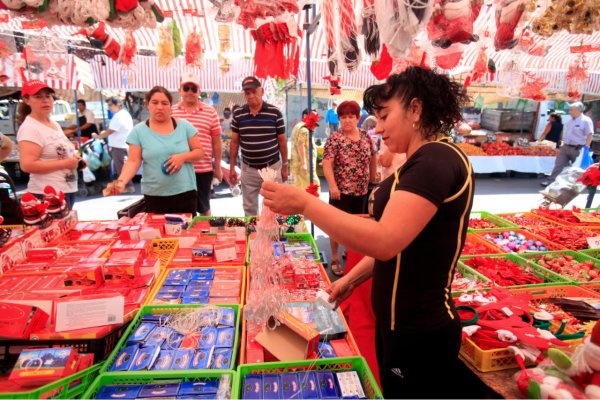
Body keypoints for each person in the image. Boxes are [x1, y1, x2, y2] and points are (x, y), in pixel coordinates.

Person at [261, 67, 473, 399]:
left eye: (385, 116)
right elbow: (398, 241)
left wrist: (305, 204)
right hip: (397, 323)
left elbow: (385, 241)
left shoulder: (435, 161)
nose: (379, 127)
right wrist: (351, 278)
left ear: (415, 109)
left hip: (419, 330)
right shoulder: (420, 161)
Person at [106, 86, 204, 214]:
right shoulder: (138, 131)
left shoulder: (184, 127)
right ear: (147, 105)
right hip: (154, 195)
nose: (159, 107)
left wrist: (182, 157)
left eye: (164, 103)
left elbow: (199, 152)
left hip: (184, 192)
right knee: (156, 233)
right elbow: (133, 161)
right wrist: (121, 182)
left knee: (186, 232)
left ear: (170, 106)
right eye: (155, 102)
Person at [322, 100, 377, 276]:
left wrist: (372, 180)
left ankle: (350, 252)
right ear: (339, 119)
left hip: (361, 190)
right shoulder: (335, 138)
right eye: (343, 117)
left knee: (357, 224)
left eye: (351, 116)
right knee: (336, 226)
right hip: (340, 191)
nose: (347, 120)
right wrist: (332, 186)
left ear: (358, 118)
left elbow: (373, 156)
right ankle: (335, 258)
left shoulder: (365, 136)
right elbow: (326, 163)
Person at [17, 80, 81, 209]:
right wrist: (65, 163)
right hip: (46, 196)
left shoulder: (54, 124)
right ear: (26, 100)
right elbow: (27, 165)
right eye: (38, 97)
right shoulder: (30, 128)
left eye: (48, 96)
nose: (45, 100)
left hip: (65, 191)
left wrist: (75, 159)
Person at [229, 76, 287, 216]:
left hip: (272, 167)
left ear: (261, 91)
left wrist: (285, 165)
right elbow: (234, 142)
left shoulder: (275, 113)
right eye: (247, 93)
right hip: (249, 169)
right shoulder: (238, 114)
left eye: (254, 91)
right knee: (249, 209)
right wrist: (231, 167)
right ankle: (253, 236)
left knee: (276, 207)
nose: (251, 96)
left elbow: (282, 141)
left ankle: (275, 237)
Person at [171, 72, 223, 216]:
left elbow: (216, 143)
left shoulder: (210, 112)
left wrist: (217, 167)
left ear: (199, 92)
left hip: (203, 170)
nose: (190, 92)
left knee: (204, 207)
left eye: (194, 89)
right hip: (178, 168)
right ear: (180, 90)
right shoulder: (171, 111)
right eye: (186, 88)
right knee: (181, 210)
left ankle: (207, 236)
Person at [542, 102, 594, 187]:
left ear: (578, 110)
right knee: (558, 164)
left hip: (578, 148)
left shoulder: (586, 120)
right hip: (566, 146)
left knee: (576, 168)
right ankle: (551, 181)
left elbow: (590, 134)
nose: (569, 112)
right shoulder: (570, 121)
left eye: (571, 110)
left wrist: (586, 147)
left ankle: (574, 185)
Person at [93, 97, 135, 193]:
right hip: (121, 145)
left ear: (118, 104)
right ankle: (126, 186)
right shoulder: (122, 114)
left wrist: (99, 136)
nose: (109, 107)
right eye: (108, 105)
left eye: (110, 105)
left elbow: (111, 130)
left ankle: (128, 186)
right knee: (121, 167)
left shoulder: (119, 116)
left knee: (122, 168)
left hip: (120, 146)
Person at [290, 109, 319, 192]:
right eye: (313, 121)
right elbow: (300, 144)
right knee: (314, 187)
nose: (314, 126)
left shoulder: (298, 126)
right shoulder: (304, 129)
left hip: (297, 165)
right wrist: (304, 163)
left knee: (298, 189)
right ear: (306, 116)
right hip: (305, 166)